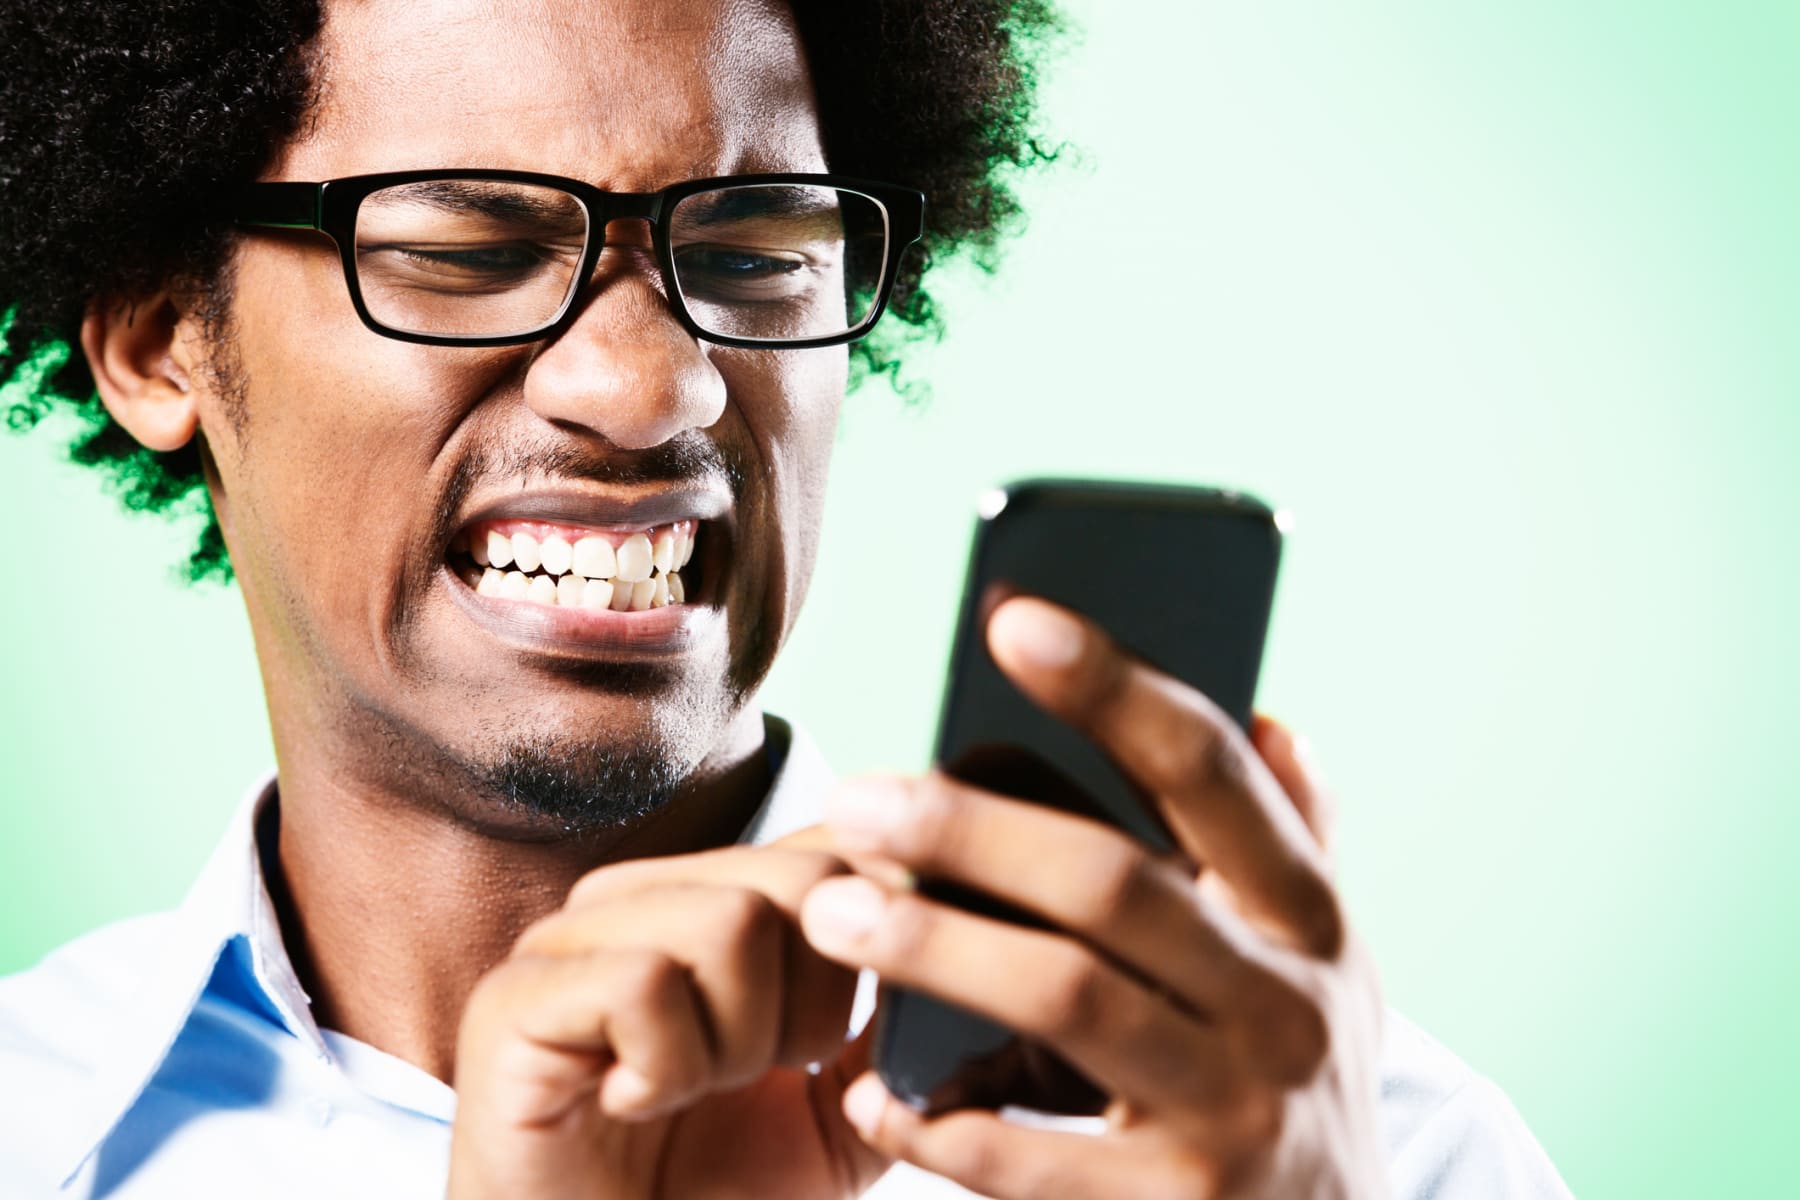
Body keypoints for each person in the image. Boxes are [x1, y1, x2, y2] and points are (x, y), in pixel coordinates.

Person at [0, 0, 1572, 1196]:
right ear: (157, 343)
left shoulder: (1332, 1161)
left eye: (757, 251)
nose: (653, 383)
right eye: (472, 244)